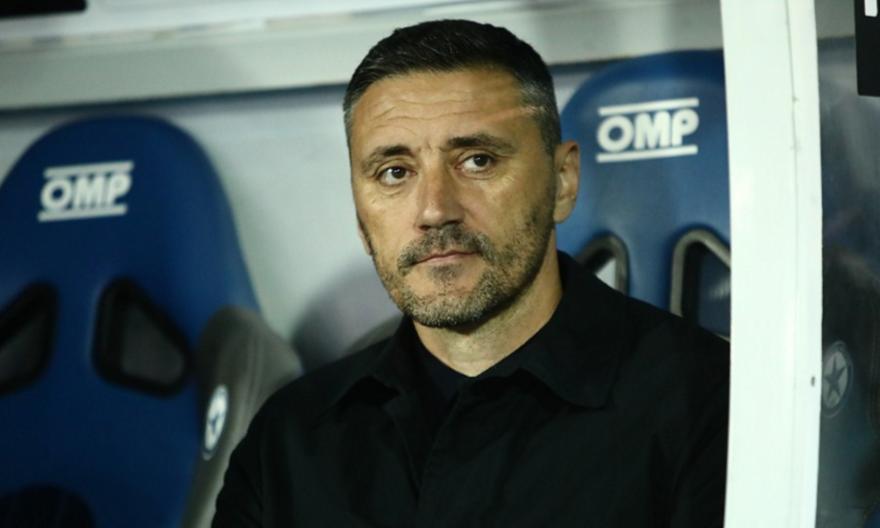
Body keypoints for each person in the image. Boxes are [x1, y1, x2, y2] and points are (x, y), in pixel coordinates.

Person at [213, 19, 728, 527]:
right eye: (395, 172)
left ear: (563, 181)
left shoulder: (708, 400)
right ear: (360, 217)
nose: (435, 209)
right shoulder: (288, 438)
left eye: (477, 161)